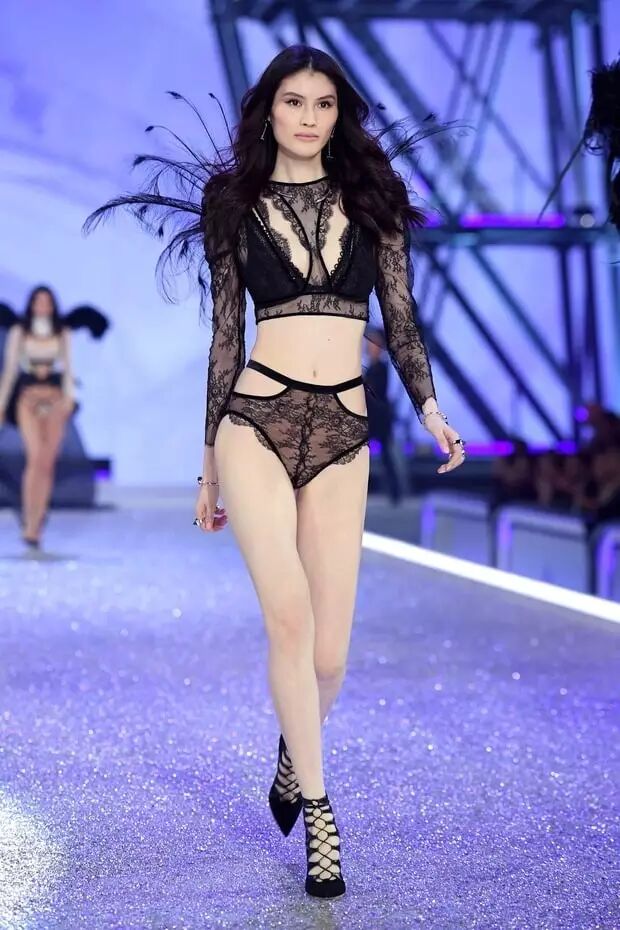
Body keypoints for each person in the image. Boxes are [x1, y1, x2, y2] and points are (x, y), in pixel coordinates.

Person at [84, 44, 466, 899]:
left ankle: (296, 752)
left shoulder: (375, 200)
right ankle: (321, 814)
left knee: (331, 654)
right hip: (254, 422)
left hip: (343, 429)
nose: (308, 117)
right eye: (294, 101)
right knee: (289, 620)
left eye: (324, 104)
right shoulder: (234, 204)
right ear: (269, 110)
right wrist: (206, 469)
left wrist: (430, 410)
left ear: (339, 115)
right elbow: (226, 335)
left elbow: (401, 320)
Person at [0, 286, 77, 548]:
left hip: (55, 401)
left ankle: (38, 520)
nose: (42, 306)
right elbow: (10, 371)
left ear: (53, 305)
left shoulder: (62, 332)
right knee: (34, 458)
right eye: (38, 301)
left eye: (47, 301)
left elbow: (68, 369)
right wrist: (1, 405)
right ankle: (30, 522)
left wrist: (69, 400)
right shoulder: (19, 332)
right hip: (28, 401)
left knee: (47, 462)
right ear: (31, 304)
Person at [364, 326, 402, 503]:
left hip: (379, 419)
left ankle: (395, 492)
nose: (370, 347)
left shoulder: (380, 368)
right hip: (372, 418)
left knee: (386, 456)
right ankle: (367, 490)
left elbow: (376, 392)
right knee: (367, 455)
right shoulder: (371, 368)